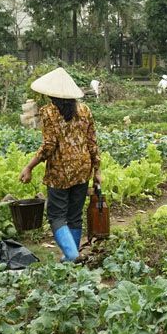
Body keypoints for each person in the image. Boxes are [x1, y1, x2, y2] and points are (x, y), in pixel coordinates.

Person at [19, 68, 101, 262]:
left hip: (60, 170)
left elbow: (49, 146)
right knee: (74, 215)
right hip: (83, 168)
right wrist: (97, 169)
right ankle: (70, 257)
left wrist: (29, 166)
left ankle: (72, 254)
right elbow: (92, 142)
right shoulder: (84, 110)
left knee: (56, 215)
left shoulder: (49, 112)